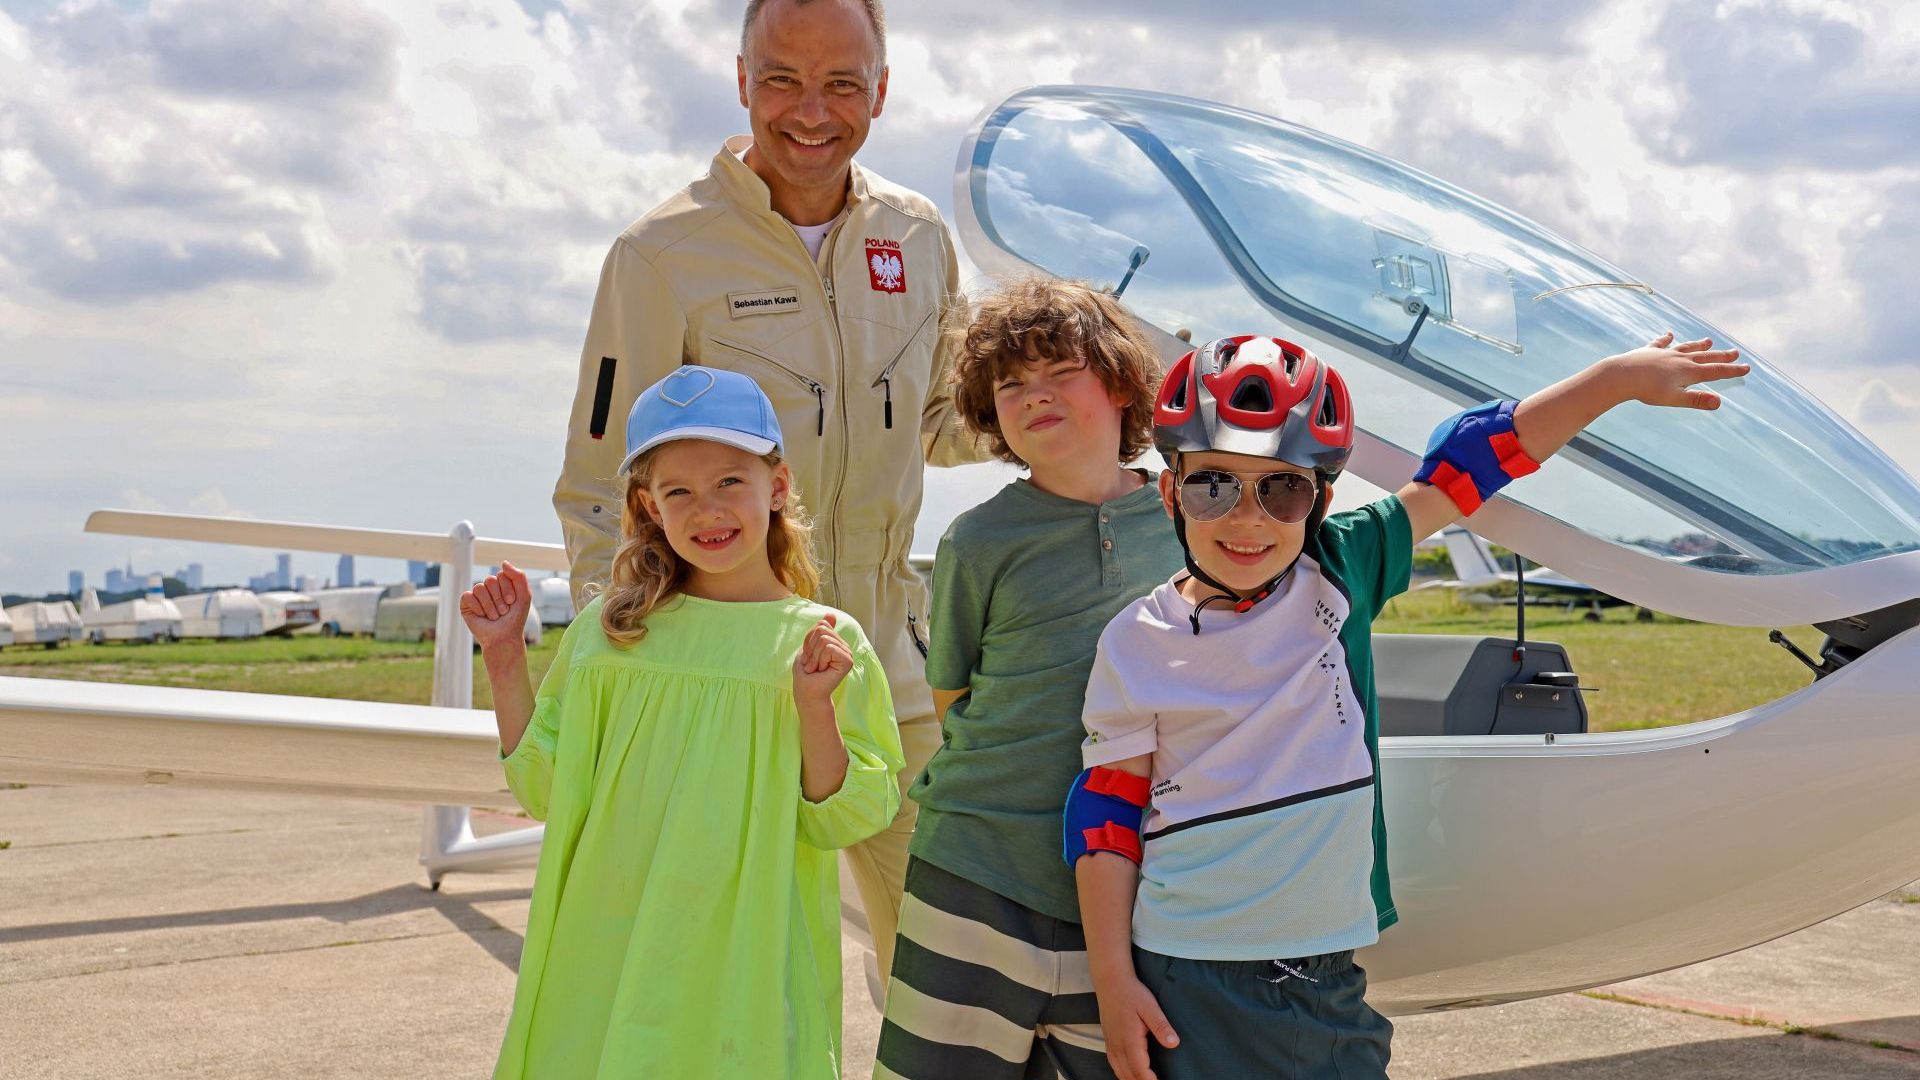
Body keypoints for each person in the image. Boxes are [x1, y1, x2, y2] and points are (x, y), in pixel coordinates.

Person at [1072, 333, 1748, 1080]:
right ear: (1171, 493)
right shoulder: (1134, 641)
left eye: (1283, 490)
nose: (1248, 519)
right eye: (1213, 487)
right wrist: (1113, 982)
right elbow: (1106, 814)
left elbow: (1471, 463)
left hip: (1319, 965)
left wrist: (1613, 379)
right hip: (1188, 969)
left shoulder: (1341, 567)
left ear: (1321, 502)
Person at [552, 0, 981, 986]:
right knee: (719, 978)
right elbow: (598, 486)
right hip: (722, 676)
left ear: (881, 90)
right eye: (783, 78)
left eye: (842, 83)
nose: (812, 111)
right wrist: (619, 669)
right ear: (743, 80)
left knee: (949, 965)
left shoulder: (918, 236)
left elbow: (944, 421)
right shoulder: (659, 255)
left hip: (889, 663)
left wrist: (1083, 400)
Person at [475, 365, 905, 1078]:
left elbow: (844, 817)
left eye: (730, 481)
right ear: (650, 507)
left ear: (778, 486)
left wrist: (812, 707)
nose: (707, 510)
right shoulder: (610, 635)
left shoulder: (823, 641)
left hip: (742, 955)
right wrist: (503, 657)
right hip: (609, 942)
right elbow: (546, 787)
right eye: (679, 492)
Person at [872, 278, 1185, 1079]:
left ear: (1122, 384)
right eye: (1011, 384)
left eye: (1061, 371)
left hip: (1129, 885)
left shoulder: (1189, 521)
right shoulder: (976, 541)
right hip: (974, 867)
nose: (1034, 395)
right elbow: (955, 698)